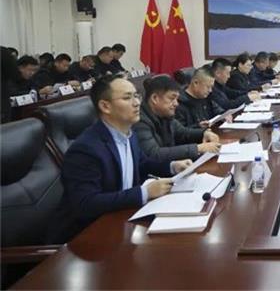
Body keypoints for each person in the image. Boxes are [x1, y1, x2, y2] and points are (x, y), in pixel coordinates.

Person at [48, 74, 192, 243]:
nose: (137, 102)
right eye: (127, 98)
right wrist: (144, 192)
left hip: (122, 220)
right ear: (105, 106)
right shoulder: (85, 149)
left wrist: (172, 166)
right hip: (87, 237)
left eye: (136, 95)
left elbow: (141, 163)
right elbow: (86, 203)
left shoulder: (128, 133)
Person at [133, 75, 221, 162]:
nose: (176, 104)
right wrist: (198, 148)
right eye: (172, 98)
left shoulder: (165, 115)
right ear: (155, 98)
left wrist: (204, 133)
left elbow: (183, 133)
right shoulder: (140, 121)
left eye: (176, 99)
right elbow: (154, 154)